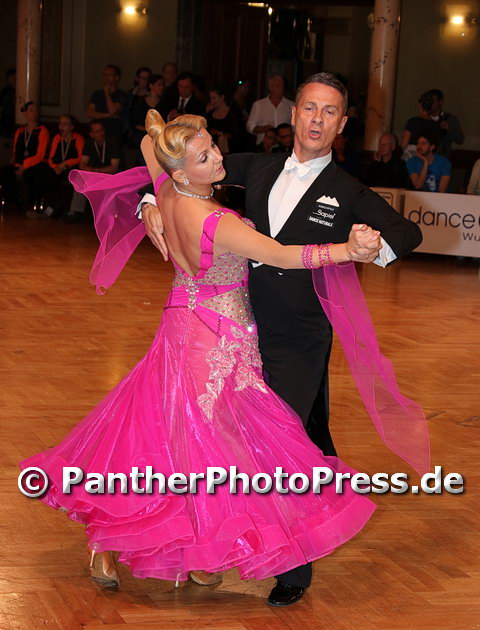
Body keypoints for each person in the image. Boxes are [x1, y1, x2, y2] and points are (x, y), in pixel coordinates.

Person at [20, 109, 394, 600]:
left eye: (212, 146)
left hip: (184, 322)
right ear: (181, 171)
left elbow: (152, 139)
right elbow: (283, 255)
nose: (218, 157)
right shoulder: (216, 220)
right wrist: (346, 250)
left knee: (170, 438)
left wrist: (151, 198)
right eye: (204, 156)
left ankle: (168, 548)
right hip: (216, 339)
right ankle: (119, 540)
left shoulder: (170, 191)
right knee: (207, 446)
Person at [141, 73, 425, 605]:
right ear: (293, 114)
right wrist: (149, 203)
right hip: (236, 330)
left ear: (342, 123)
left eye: (330, 111)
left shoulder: (347, 190)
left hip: (298, 338)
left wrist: (373, 246)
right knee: (269, 439)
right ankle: (235, 535)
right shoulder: (258, 165)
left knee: (284, 445)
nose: (317, 119)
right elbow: (173, 161)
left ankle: (294, 567)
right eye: (310, 108)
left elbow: (408, 233)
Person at [27, 114, 84, 219]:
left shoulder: (78, 139)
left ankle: (52, 210)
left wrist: (64, 164)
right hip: (56, 170)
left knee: (53, 179)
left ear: (72, 127)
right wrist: (55, 167)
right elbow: (51, 158)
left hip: (70, 169)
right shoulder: (57, 138)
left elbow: (80, 158)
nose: (61, 127)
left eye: (65, 124)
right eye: (60, 124)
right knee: (38, 170)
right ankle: (37, 206)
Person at [64, 120, 120, 223]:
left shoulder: (112, 142)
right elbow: (82, 163)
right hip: (95, 174)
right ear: (91, 134)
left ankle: (108, 216)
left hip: (110, 175)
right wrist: (89, 170)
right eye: (97, 131)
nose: (101, 133)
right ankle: (76, 211)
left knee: (109, 183)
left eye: (102, 130)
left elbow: (114, 167)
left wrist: (96, 171)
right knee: (79, 179)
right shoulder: (89, 142)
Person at [0, 101, 49, 213]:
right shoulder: (20, 131)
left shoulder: (42, 130)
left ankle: (32, 204)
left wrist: (25, 166)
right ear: (25, 113)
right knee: (5, 172)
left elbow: (40, 154)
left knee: (31, 174)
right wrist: (16, 164)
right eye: (31, 110)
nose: (34, 113)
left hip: (35, 164)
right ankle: (15, 201)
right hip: (19, 164)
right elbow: (15, 151)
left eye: (36, 110)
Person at [246, 76, 293, 146]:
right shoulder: (259, 105)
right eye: (278, 86)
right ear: (270, 88)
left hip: (284, 147)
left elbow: (295, 127)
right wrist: (262, 129)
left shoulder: (291, 105)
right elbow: (250, 126)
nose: (281, 88)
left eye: (283, 86)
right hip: (263, 146)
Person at [87, 65, 127, 143]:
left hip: (114, 131)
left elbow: (113, 111)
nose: (106, 77)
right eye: (104, 75)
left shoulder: (121, 95)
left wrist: (107, 94)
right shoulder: (97, 94)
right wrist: (108, 115)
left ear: (116, 78)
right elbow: (89, 113)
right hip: (97, 131)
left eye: (109, 75)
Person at [427, 88, 464, 157]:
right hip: (423, 158)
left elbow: (460, 140)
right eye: (429, 101)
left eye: (433, 101)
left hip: (441, 158)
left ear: (441, 101)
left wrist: (448, 128)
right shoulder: (424, 118)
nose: (431, 103)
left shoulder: (450, 119)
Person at [206, 86, 240, 155]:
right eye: (210, 98)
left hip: (229, 152)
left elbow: (237, 135)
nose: (212, 101)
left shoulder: (232, 114)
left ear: (222, 97)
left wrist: (220, 133)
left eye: (214, 98)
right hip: (211, 151)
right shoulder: (209, 114)